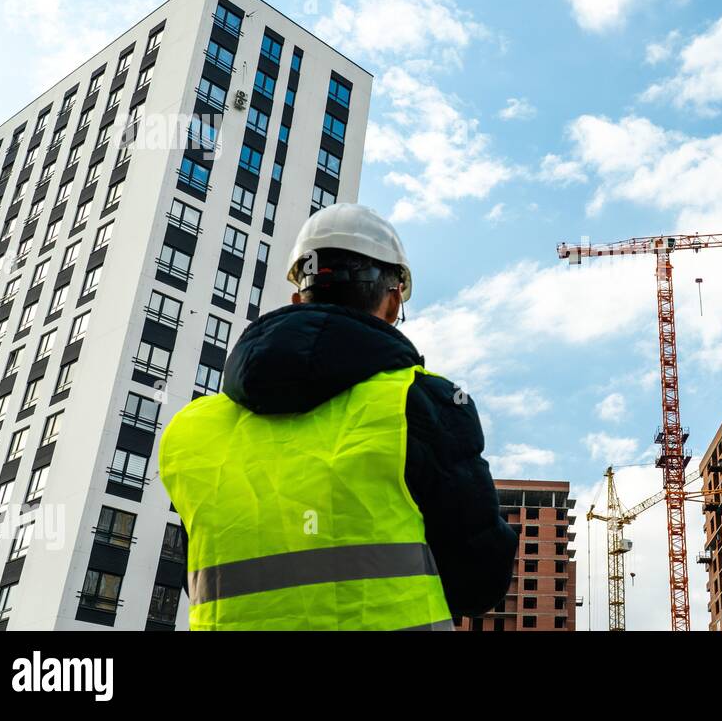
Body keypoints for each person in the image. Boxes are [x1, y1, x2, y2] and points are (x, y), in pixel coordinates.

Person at [158, 203, 516, 630]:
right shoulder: (421, 404)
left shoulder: (193, 430)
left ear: (297, 298)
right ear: (393, 301)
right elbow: (478, 584)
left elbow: (195, 576)